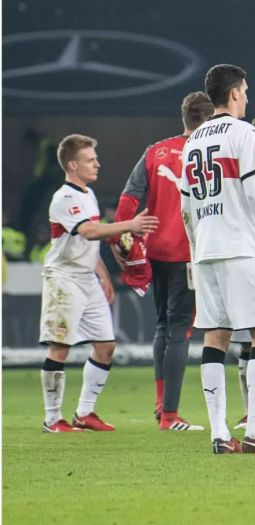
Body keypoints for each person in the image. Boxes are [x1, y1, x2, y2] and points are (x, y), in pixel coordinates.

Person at [180, 64, 255, 454]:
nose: (247, 97)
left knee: (216, 335)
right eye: (244, 91)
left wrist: (197, 251)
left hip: (206, 249)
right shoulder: (243, 132)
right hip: (240, 246)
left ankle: (219, 434)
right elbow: (253, 193)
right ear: (233, 94)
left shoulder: (193, 139)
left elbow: (185, 208)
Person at [38, 134, 159, 432]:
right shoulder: (64, 198)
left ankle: (84, 413)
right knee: (59, 348)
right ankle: (52, 419)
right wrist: (130, 225)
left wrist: (103, 275)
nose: (97, 164)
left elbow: (90, 242)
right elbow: (90, 231)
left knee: (105, 345)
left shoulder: (87, 194)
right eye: (90, 160)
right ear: (72, 165)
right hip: (64, 280)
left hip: (87, 278)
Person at [113, 91, 214, 432]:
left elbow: (129, 198)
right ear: (209, 118)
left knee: (162, 325)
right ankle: (170, 414)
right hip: (190, 253)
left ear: (183, 116)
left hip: (156, 250)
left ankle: (161, 404)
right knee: (180, 329)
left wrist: (122, 240)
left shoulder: (156, 151)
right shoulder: (210, 152)